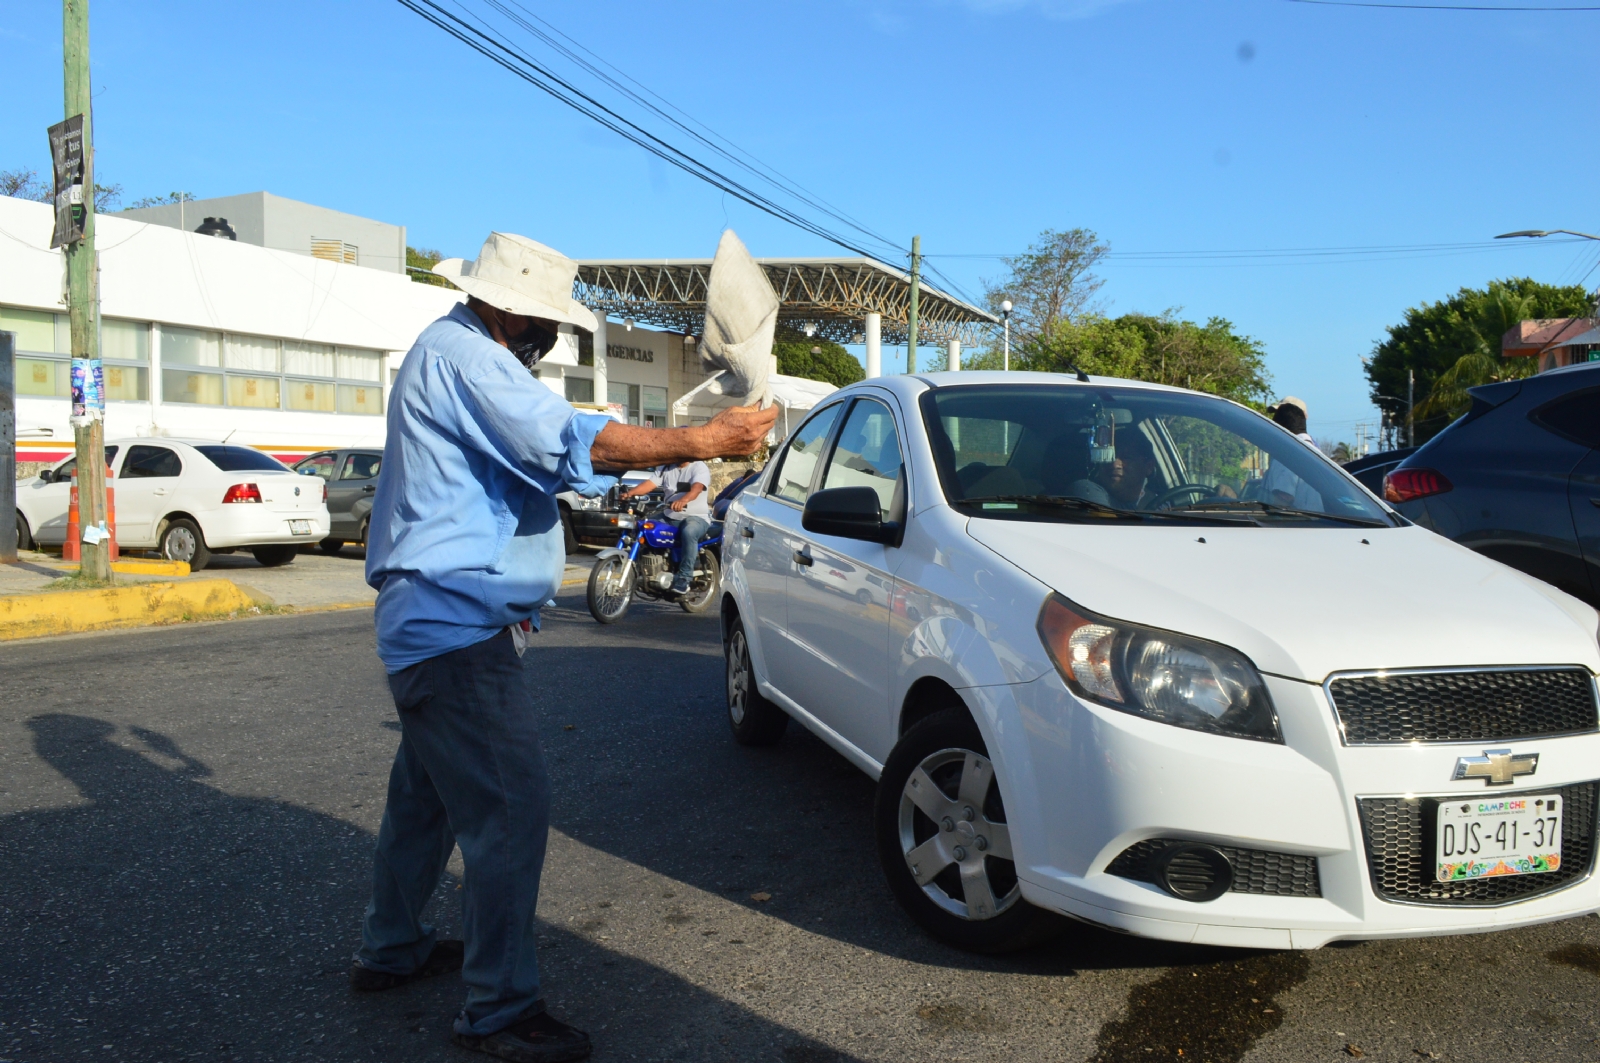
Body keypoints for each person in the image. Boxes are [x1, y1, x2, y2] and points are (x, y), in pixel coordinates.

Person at [353, 232, 777, 1063]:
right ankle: (498, 1010)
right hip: (457, 628)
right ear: (509, 309)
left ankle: (392, 946)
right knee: (508, 811)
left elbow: (566, 468)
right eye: (543, 322)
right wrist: (702, 440)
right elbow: (575, 439)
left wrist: (670, 474)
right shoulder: (469, 360)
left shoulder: (459, 355)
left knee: (426, 800)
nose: (547, 338)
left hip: (431, 626)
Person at [620, 458, 712, 595]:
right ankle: (645, 568)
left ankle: (684, 578)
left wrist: (683, 500)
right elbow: (650, 484)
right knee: (643, 527)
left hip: (696, 517)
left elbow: (697, 487)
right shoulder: (665, 468)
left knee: (689, 532)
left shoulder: (699, 467)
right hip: (669, 516)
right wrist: (630, 493)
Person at [1066, 426, 1161, 509]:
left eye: (1126, 458)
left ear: (1149, 466)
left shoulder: (1159, 503)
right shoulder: (1085, 490)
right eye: (1108, 456)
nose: (1114, 464)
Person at [1261, 397, 1323, 509]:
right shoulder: (1314, 450)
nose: (1274, 421)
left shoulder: (1289, 455)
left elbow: (1282, 501)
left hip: (1290, 523)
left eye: (1280, 414)